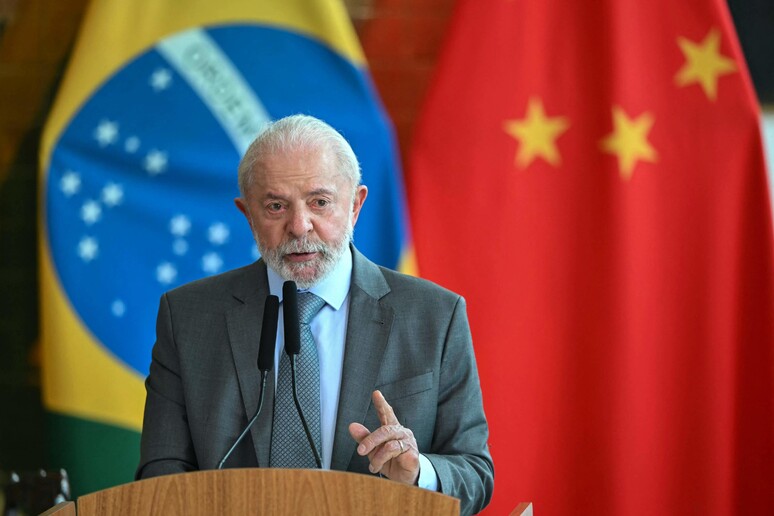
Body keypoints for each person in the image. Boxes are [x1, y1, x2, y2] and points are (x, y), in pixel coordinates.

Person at [136, 114, 494, 515]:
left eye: (320, 202)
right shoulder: (187, 317)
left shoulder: (434, 315)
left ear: (355, 205)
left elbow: (474, 473)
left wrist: (417, 473)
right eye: (275, 206)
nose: (299, 225)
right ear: (247, 214)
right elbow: (161, 474)